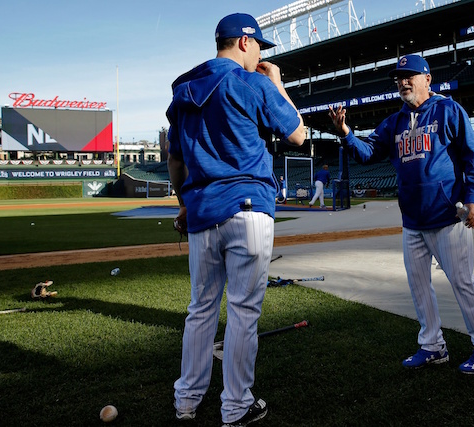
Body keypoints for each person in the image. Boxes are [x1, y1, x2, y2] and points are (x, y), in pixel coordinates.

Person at [166, 12, 305, 425]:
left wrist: (184, 202)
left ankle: (186, 400)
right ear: (244, 42)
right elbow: (299, 133)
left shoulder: (185, 89)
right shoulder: (252, 82)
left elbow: (175, 160)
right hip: (248, 209)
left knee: (201, 309)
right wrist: (277, 82)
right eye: (259, 44)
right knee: (243, 312)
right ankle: (236, 405)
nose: (261, 52)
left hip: (202, 210)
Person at [329, 54, 474, 374]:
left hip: (448, 216)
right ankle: (432, 345)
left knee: (463, 283)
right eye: (399, 77)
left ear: (427, 78)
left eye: (410, 75)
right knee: (419, 286)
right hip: (412, 221)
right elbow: (368, 154)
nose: (403, 81)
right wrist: (345, 133)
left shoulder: (448, 110)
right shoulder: (394, 122)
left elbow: (471, 157)